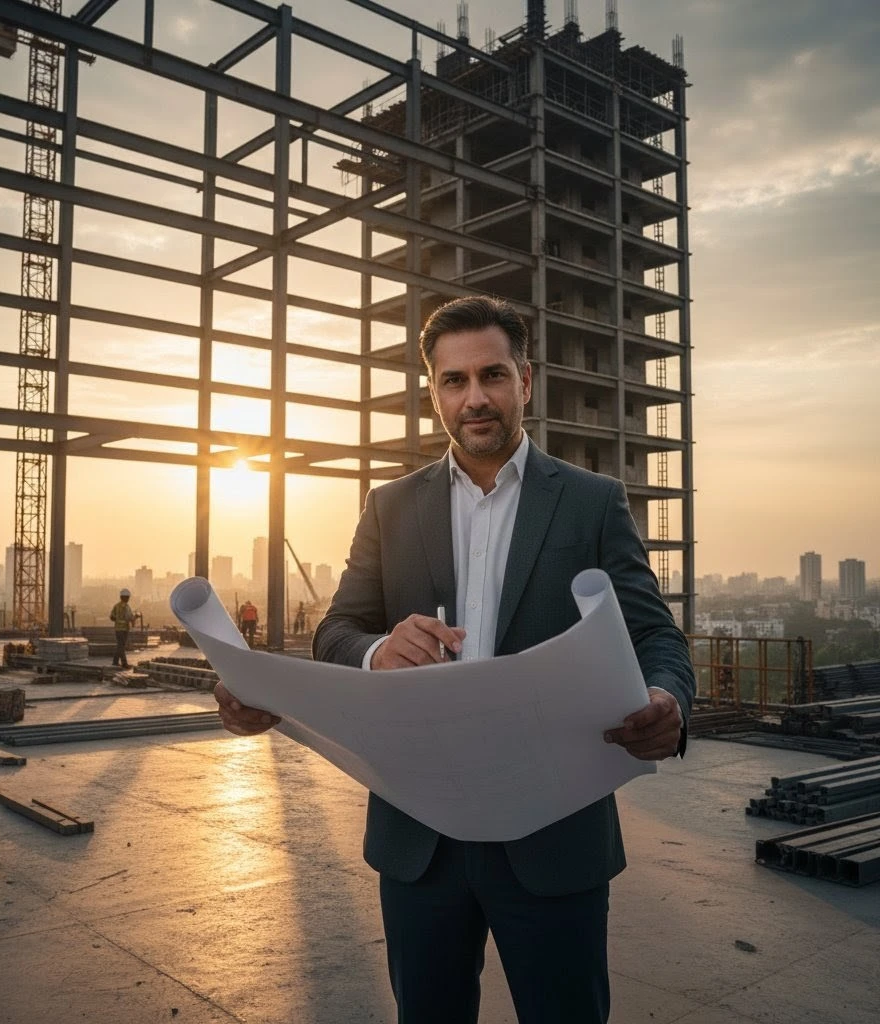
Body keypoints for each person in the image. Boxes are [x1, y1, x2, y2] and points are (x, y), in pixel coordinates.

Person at [214, 296, 695, 1024]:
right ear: (432, 392)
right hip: (421, 839)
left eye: (493, 376)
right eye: (455, 381)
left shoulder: (592, 503)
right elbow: (337, 630)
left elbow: (656, 635)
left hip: (555, 831)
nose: (475, 398)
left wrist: (668, 698)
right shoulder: (390, 508)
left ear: (526, 381)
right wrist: (378, 650)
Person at [109, 588, 135, 668]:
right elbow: (130, 617)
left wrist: (118, 620)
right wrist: (135, 617)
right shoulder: (127, 607)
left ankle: (115, 661)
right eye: (127, 597)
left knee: (120, 646)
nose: (128, 599)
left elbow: (111, 617)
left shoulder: (116, 606)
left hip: (118, 629)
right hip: (124, 630)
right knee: (121, 646)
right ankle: (124, 663)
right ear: (125, 597)